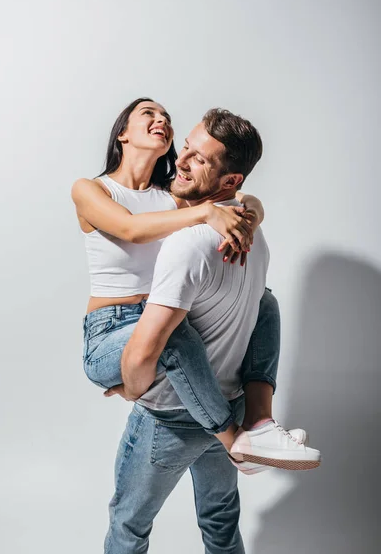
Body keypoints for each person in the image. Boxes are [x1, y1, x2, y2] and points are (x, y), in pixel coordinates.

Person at [101, 108, 321, 553]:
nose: (182, 161)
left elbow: (148, 351)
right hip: (229, 407)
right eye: (187, 148)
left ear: (231, 180)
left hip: (170, 418)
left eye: (200, 159)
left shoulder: (185, 245)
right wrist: (248, 210)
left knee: (128, 527)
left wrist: (131, 388)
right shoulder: (253, 239)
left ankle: (251, 432)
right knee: (221, 527)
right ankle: (258, 426)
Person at [72, 97, 291, 456]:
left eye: (166, 117)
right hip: (109, 333)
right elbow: (131, 228)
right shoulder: (91, 189)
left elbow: (240, 196)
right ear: (123, 134)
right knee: (174, 336)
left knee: (263, 300)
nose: (161, 119)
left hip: (159, 319)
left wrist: (250, 215)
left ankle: (260, 420)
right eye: (148, 113)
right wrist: (205, 213)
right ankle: (233, 441)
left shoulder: (172, 196)